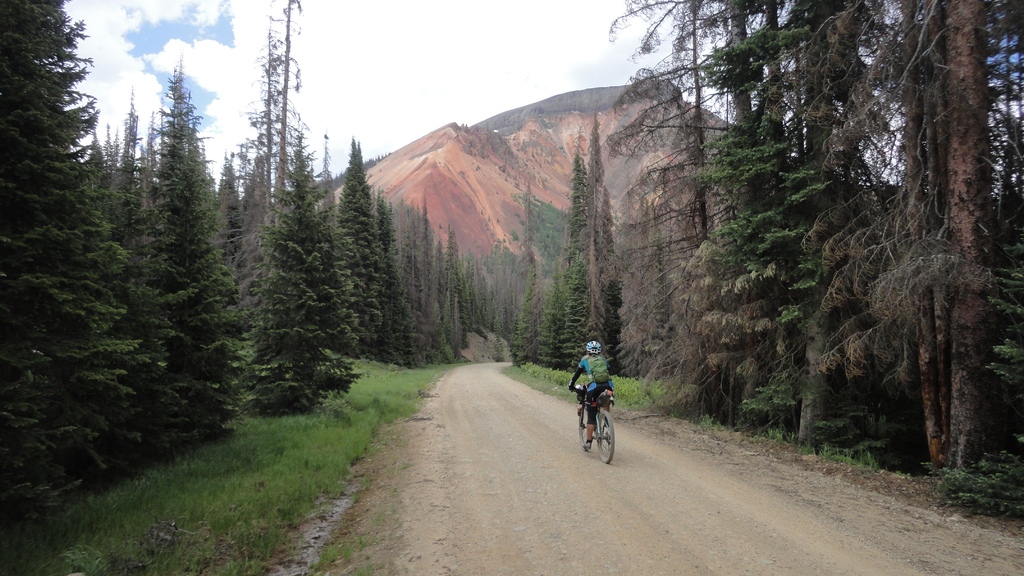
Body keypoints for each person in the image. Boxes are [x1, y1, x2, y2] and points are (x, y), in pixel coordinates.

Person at [567, 340, 614, 451]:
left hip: (594, 388)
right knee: (606, 401)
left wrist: (571, 385)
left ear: (588, 350)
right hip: (608, 387)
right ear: (599, 351)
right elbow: (609, 370)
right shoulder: (603, 359)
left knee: (591, 417)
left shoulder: (585, 360)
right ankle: (607, 422)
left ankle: (588, 443)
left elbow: (576, 374)